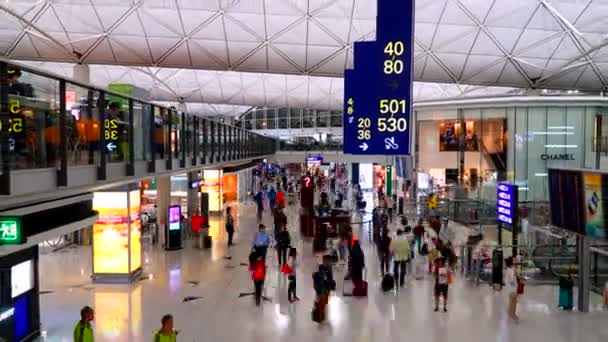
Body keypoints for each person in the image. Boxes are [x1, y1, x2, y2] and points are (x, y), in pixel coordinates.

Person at [505, 256, 520, 321]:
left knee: (513, 301)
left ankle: (510, 312)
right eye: (514, 260)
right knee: (513, 301)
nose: (515, 261)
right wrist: (515, 273)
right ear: (511, 262)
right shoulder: (510, 269)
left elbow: (516, 276)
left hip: (513, 287)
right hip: (511, 287)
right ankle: (513, 314)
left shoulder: (512, 268)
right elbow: (510, 279)